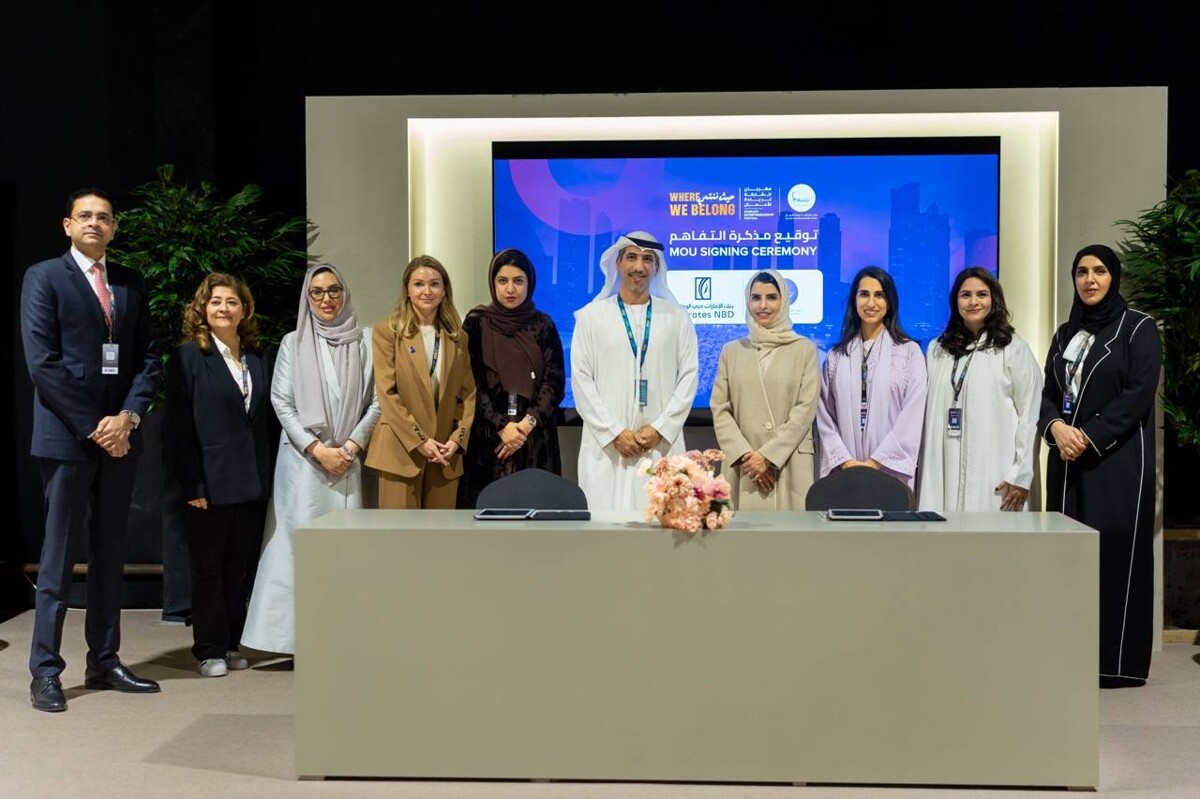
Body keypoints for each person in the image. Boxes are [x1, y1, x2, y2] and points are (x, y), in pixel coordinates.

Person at [20, 188, 161, 712]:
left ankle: (104, 660)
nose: (94, 224)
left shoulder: (129, 282)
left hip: (121, 438)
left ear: (114, 228)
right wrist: (94, 427)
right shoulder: (43, 277)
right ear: (67, 225)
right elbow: (43, 364)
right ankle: (45, 672)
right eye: (85, 216)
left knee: (110, 554)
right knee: (58, 558)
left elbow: (148, 360)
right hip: (67, 437)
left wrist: (127, 419)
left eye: (103, 218)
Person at [242, 263, 380, 657]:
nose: (326, 299)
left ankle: (344, 639)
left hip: (350, 463)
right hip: (304, 465)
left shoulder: (367, 340)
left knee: (348, 552)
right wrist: (317, 450)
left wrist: (350, 447)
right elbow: (281, 402)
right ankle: (291, 642)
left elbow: (377, 402)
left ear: (345, 293)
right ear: (307, 297)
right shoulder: (293, 342)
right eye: (317, 292)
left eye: (333, 290)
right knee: (295, 548)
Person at [1039, 244, 1160, 688]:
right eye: (1081, 272)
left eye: (1099, 271)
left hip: (1117, 463)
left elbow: (1137, 394)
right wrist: (1054, 426)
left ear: (1114, 277)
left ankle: (1118, 663)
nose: (1089, 280)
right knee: (1070, 563)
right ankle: (1071, 659)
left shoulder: (1138, 328)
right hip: (1068, 463)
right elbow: (1048, 391)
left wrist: (1088, 434)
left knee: (1115, 558)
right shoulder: (1066, 332)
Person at [166, 273, 276, 677]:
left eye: (232, 302)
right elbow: (178, 429)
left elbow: (264, 423)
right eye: (216, 302)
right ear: (203, 310)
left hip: (251, 482)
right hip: (208, 484)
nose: (224, 308)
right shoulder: (188, 357)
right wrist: (192, 483)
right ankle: (208, 649)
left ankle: (230, 643)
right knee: (208, 568)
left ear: (244, 309)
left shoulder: (259, 357)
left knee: (238, 565)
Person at [571, 231, 699, 512]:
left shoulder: (677, 318)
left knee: (662, 535)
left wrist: (660, 428)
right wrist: (614, 433)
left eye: (647, 259)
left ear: (656, 267)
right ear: (618, 263)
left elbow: (689, 378)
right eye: (631, 257)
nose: (638, 267)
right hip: (606, 449)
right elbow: (581, 381)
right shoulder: (590, 317)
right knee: (604, 534)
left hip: (659, 446)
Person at [918, 267, 1042, 512]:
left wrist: (1021, 474)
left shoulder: (1013, 349)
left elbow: (1031, 415)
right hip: (944, 466)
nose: (973, 302)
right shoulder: (937, 350)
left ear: (994, 299)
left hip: (998, 468)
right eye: (965, 295)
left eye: (982, 294)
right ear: (956, 301)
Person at [457, 249, 566, 509]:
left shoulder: (543, 325)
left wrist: (525, 426)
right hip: (489, 438)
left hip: (535, 438)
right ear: (493, 283)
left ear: (530, 283)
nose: (510, 289)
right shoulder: (476, 323)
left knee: (536, 514)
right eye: (502, 281)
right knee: (486, 517)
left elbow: (554, 382)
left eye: (518, 281)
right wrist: (502, 427)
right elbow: (471, 383)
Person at [366, 255, 475, 508]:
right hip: (400, 452)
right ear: (407, 290)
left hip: (444, 455)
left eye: (435, 284)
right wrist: (420, 440)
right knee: (400, 542)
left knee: (439, 541)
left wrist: (456, 439)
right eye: (419, 284)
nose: (427, 291)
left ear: (444, 289)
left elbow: (467, 395)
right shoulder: (387, 332)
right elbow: (387, 393)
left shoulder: (458, 337)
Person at [711, 270, 820, 509]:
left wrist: (768, 456)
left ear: (784, 302)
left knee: (788, 538)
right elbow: (720, 408)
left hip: (788, 463)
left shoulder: (805, 349)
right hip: (744, 466)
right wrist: (748, 457)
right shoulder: (732, 351)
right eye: (756, 298)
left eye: (771, 297)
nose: (763, 305)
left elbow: (805, 409)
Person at [816, 266, 926, 488]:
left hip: (891, 473)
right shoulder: (836, 356)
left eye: (879, 295)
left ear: (890, 302)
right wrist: (846, 462)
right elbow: (825, 416)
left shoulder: (908, 352)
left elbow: (912, 415)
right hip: (845, 471)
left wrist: (876, 462)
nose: (871, 303)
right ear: (854, 300)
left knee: (888, 522)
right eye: (864, 294)